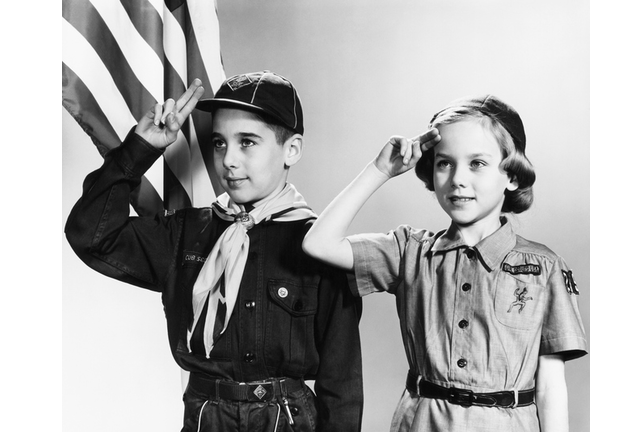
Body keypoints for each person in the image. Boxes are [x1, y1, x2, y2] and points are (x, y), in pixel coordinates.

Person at [65, 71, 364, 432]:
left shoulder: (319, 245)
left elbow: (342, 382)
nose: (229, 160)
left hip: (287, 420)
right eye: (220, 143)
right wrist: (140, 149)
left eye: (247, 143)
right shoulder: (186, 233)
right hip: (206, 417)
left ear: (292, 149)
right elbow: (91, 235)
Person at [302, 95, 588, 432]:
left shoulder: (544, 267)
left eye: (477, 163)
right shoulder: (410, 251)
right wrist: (379, 171)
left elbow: (551, 387)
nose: (457, 179)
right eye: (444, 163)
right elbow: (318, 243)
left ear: (511, 175)